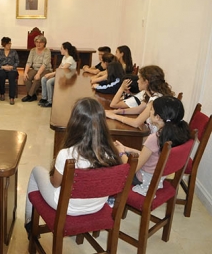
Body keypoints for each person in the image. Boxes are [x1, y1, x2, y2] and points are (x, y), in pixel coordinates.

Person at [24, 97, 122, 234]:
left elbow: (55, 184)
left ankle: (29, 222)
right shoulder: (111, 153)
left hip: (68, 208)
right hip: (97, 206)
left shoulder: (67, 154)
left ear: (75, 123)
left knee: (36, 171)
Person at [114, 96, 191, 195]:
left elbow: (132, 169)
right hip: (156, 177)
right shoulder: (178, 133)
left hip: (141, 179)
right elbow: (152, 155)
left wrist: (121, 152)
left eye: (151, 110)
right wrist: (127, 149)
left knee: (113, 160)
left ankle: (113, 197)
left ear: (158, 117)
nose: (149, 112)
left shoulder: (155, 138)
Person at [105, 65, 174, 129]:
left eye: (139, 78)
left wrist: (114, 116)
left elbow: (136, 123)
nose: (137, 81)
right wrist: (117, 111)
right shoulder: (153, 95)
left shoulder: (155, 100)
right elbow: (139, 109)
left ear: (146, 82)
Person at [39, 42, 78, 107]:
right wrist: (52, 74)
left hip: (68, 77)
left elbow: (63, 69)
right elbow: (59, 68)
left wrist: (51, 74)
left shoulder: (70, 58)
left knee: (49, 82)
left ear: (66, 50)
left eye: (61, 48)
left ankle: (50, 101)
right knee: (44, 78)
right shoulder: (64, 58)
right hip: (62, 76)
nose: (60, 50)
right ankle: (44, 98)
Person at [22, 35, 52, 102]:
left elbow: (44, 64)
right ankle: (33, 95)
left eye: (40, 42)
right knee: (26, 77)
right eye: (37, 42)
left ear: (44, 43)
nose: (38, 44)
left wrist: (38, 74)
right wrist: (25, 72)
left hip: (45, 69)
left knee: (37, 79)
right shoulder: (32, 50)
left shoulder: (47, 51)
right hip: (35, 68)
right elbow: (29, 62)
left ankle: (29, 96)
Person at [0, 37, 19, 105]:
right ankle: (2, 93)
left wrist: (12, 66)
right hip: (2, 68)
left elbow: (17, 62)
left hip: (12, 69)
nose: (10, 45)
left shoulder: (14, 52)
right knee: (1, 75)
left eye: (10, 43)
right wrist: (3, 67)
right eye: (8, 44)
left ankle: (12, 97)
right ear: (4, 44)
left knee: (12, 77)